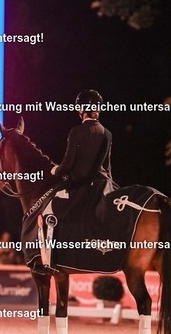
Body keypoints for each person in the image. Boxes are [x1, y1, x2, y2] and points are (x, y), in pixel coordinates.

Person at [27, 90, 114, 274]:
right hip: (102, 186)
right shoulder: (107, 134)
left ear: (81, 110)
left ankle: (48, 261)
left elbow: (67, 164)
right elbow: (107, 167)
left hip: (80, 186)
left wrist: (55, 171)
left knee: (48, 210)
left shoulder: (76, 132)